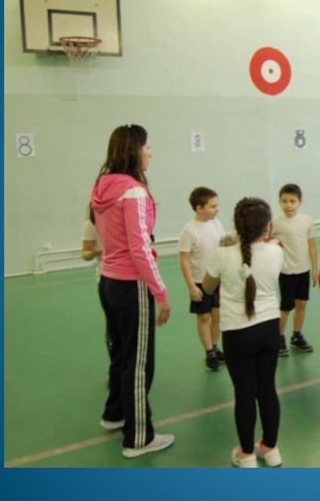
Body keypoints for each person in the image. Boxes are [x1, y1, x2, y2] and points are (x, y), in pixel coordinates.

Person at [90, 123, 173, 458]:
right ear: (134, 150)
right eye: (147, 147)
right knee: (139, 363)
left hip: (107, 281)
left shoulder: (102, 186)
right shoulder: (134, 192)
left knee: (121, 354)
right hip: (131, 285)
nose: (150, 153)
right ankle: (139, 437)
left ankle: (115, 413)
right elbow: (139, 247)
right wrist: (161, 292)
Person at [203, 198, 285, 468]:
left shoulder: (222, 254)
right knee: (267, 389)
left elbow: (207, 287)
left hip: (237, 333)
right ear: (267, 226)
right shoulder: (276, 251)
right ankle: (270, 450)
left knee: (245, 393)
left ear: (237, 226)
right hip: (269, 328)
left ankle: (247, 454)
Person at [179, 186, 226, 372]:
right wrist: (191, 286)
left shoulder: (217, 224)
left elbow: (223, 249)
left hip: (217, 279)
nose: (217, 209)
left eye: (217, 205)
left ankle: (215, 347)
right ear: (199, 208)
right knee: (204, 317)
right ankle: (209, 352)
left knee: (218, 315)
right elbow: (184, 260)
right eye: (213, 206)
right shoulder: (189, 230)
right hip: (199, 281)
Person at [271, 183, 317, 356]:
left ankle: (296, 336)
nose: (288, 205)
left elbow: (312, 246)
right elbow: (267, 242)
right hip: (286, 272)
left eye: (292, 201)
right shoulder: (275, 223)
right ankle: (279, 338)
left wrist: (315, 268)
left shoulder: (307, 221)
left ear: (300, 202)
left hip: (303, 270)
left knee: (302, 304)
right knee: (286, 307)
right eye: (284, 201)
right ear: (279, 202)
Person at [81, 207, 111, 387]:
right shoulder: (91, 224)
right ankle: (115, 370)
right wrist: (97, 251)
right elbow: (85, 253)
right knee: (113, 326)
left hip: (131, 278)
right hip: (106, 278)